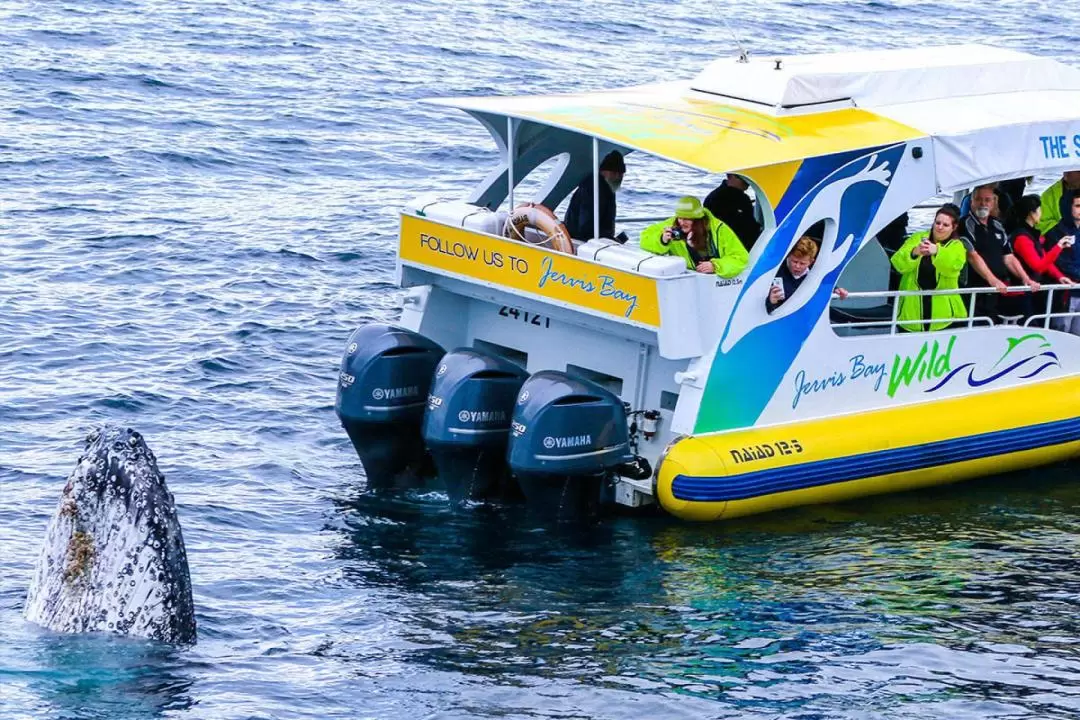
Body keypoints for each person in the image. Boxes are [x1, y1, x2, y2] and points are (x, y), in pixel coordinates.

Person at [960, 184, 1039, 323]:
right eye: (978, 199)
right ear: (971, 202)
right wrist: (993, 280)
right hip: (973, 292)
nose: (982, 203)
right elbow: (972, 256)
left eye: (987, 200)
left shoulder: (997, 225)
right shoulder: (965, 224)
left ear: (994, 203)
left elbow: (1008, 257)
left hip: (996, 293)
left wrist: (1025, 278)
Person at [890, 204, 968, 332]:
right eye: (938, 223)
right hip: (911, 312)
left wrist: (937, 251)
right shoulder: (917, 238)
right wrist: (914, 253)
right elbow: (897, 264)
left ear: (954, 227)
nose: (940, 227)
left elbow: (953, 266)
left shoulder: (957, 246)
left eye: (945, 225)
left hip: (944, 316)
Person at [640, 196, 748, 277]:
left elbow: (740, 258)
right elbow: (644, 240)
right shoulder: (672, 225)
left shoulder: (719, 229)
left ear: (698, 219)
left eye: (687, 219)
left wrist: (716, 266)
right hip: (687, 279)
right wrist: (662, 240)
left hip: (715, 282)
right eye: (680, 218)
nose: (682, 222)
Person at [1008, 194, 1074, 325]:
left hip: (1034, 291)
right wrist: (1059, 246)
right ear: (1031, 214)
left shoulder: (1031, 234)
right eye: (1039, 210)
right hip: (1022, 293)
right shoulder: (1021, 237)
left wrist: (1060, 276)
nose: (1041, 213)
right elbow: (1038, 266)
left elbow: (1044, 258)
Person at [765, 236, 847, 313]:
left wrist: (836, 290)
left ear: (811, 262)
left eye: (802, 263)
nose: (797, 266)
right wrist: (770, 302)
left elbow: (824, 284)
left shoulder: (817, 273)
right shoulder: (773, 271)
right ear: (789, 256)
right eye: (794, 261)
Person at [563, 150, 626, 242]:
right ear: (603, 171)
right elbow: (586, 226)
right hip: (581, 241)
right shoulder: (594, 189)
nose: (618, 177)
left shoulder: (606, 187)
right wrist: (610, 239)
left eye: (621, 174)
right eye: (614, 173)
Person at [1046, 193, 1080, 333]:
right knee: (1061, 331)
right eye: (1078, 206)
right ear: (1067, 207)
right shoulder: (1056, 232)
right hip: (1065, 293)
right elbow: (1059, 262)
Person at [703, 174, 762, 250]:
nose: (746, 181)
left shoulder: (743, 198)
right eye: (741, 178)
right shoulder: (716, 199)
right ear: (730, 176)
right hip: (733, 248)